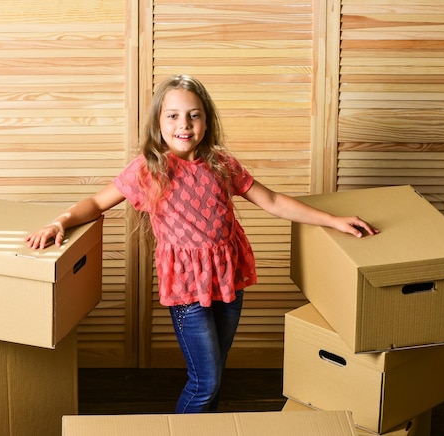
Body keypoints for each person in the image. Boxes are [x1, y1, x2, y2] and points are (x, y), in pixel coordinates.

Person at [25, 74, 378, 414]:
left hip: (228, 280)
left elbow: (272, 201)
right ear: (158, 123)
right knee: (204, 380)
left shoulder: (221, 164)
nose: (185, 124)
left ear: (206, 121)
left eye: (194, 116)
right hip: (186, 288)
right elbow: (96, 203)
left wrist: (333, 220)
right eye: (174, 116)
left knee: (217, 373)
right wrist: (61, 221)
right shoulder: (148, 169)